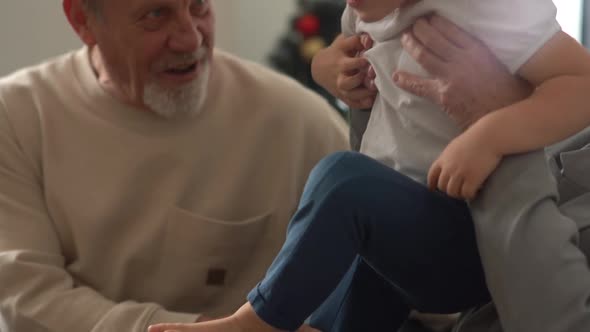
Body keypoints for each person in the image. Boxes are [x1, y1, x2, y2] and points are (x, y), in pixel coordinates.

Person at [148, 0, 590, 331]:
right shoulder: (366, 7)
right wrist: (327, 68)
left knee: (343, 183)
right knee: (358, 260)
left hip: (480, 244)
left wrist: (493, 135)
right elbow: (343, 56)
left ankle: (257, 319)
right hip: (406, 228)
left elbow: (581, 84)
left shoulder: (482, 10)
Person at [0, 1, 350, 331]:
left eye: (198, 4)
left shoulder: (301, 123)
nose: (190, 38)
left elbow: (381, 264)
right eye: (155, 14)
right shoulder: (15, 118)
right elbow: (29, 298)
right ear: (82, 20)